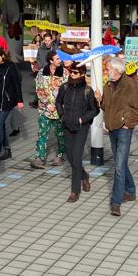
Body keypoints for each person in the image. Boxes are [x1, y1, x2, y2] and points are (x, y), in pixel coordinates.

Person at [101, 57, 138, 216]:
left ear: (117, 71)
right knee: (121, 163)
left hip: (124, 129)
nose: (106, 71)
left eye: (108, 69)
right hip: (112, 128)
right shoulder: (108, 84)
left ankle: (116, 202)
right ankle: (131, 191)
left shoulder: (130, 85)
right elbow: (107, 107)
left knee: (118, 166)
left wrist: (128, 123)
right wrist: (100, 101)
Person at [55, 64, 97, 203]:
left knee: (77, 158)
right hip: (67, 125)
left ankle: (75, 191)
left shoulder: (87, 91)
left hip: (81, 128)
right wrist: (61, 115)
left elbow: (94, 110)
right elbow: (58, 102)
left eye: (75, 72)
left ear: (82, 74)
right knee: (71, 158)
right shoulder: (65, 87)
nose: (72, 74)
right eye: (71, 72)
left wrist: (82, 119)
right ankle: (84, 176)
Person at [0, 48, 22, 164]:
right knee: (0, 127)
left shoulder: (10, 66)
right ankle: (7, 150)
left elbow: (17, 83)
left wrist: (19, 100)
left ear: (3, 56)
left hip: (7, 101)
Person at [31, 51, 65, 169]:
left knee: (60, 134)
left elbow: (66, 91)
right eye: (57, 59)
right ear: (51, 61)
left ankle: (60, 156)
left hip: (59, 110)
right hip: (45, 109)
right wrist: (47, 103)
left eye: (59, 59)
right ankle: (40, 158)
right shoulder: (42, 72)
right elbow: (39, 89)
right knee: (42, 134)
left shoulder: (64, 73)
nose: (59, 60)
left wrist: (58, 105)